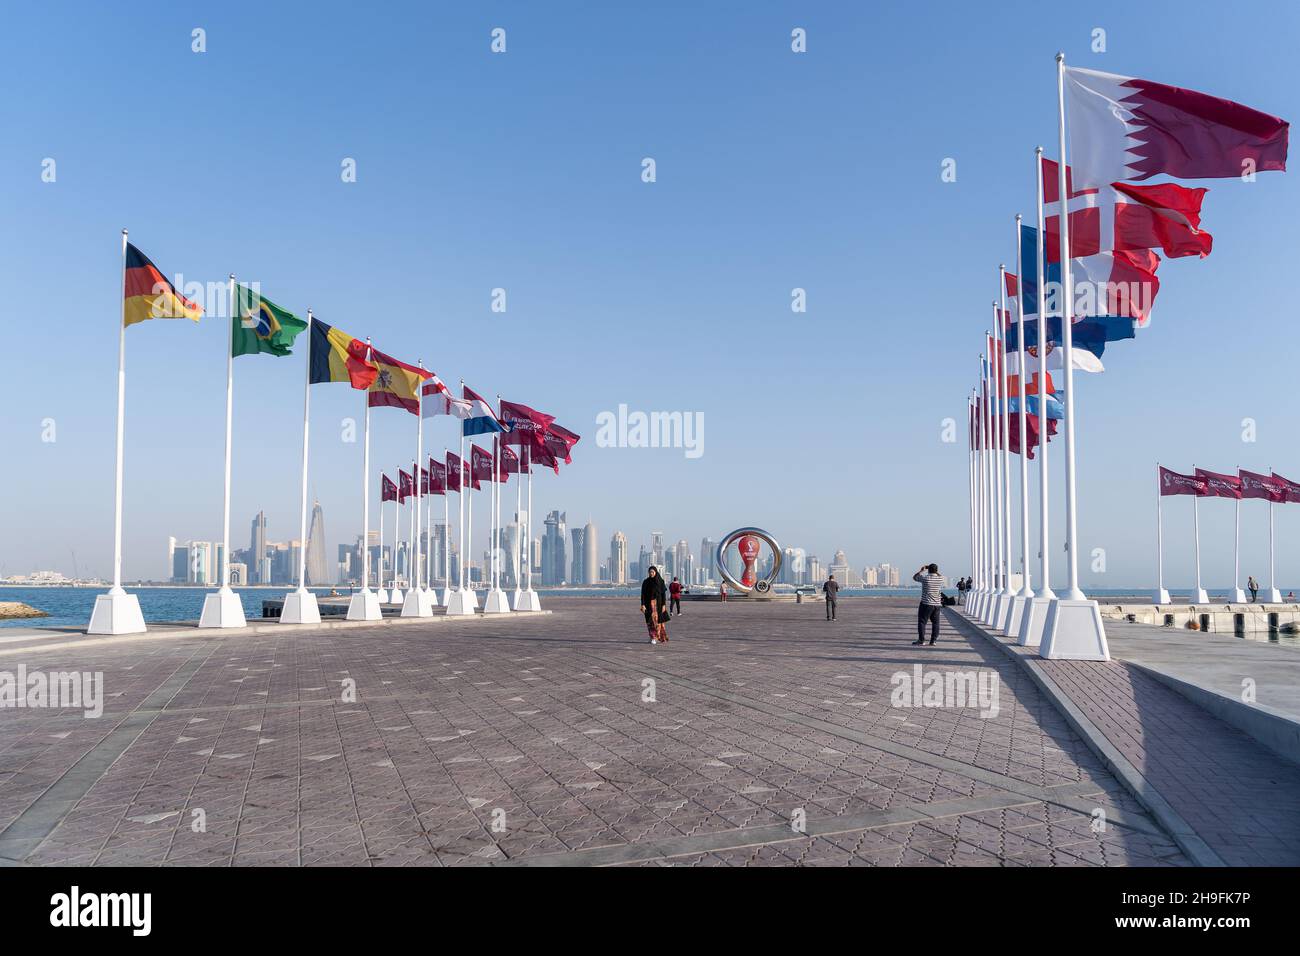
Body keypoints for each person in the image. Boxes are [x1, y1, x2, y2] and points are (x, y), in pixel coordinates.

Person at [912, 563, 947, 645]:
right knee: (936, 623)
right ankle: (933, 641)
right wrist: (935, 571)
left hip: (926, 604)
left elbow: (914, 577)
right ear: (936, 570)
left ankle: (921, 640)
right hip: (937, 604)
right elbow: (940, 575)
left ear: (929, 570)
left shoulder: (925, 578)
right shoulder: (940, 579)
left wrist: (921, 570)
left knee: (922, 622)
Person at [640, 565, 669, 644]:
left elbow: (663, 594)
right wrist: (642, 604)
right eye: (650, 572)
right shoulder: (646, 582)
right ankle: (652, 636)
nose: (651, 573)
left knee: (657, 621)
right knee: (650, 621)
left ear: (656, 572)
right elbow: (643, 594)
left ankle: (655, 637)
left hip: (658, 604)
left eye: (652, 572)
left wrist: (664, 605)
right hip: (649, 604)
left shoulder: (660, 581)